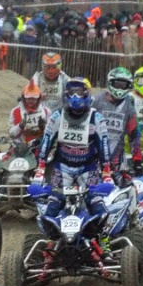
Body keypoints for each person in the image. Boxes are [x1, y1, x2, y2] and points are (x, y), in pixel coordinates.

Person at [33, 77, 112, 222]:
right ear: (66, 94)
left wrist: (106, 172)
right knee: (53, 204)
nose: (75, 96)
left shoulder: (96, 118)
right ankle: (52, 241)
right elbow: (46, 141)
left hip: (88, 168)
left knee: (97, 204)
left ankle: (103, 242)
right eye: (72, 92)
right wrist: (40, 168)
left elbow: (104, 145)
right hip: (62, 167)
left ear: (87, 94)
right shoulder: (57, 116)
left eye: (79, 92)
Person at [93, 67, 138, 172]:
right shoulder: (96, 101)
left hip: (117, 158)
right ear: (110, 83)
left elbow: (135, 133)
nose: (120, 88)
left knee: (126, 183)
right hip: (94, 155)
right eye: (117, 85)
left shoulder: (129, 106)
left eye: (123, 86)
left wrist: (137, 159)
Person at [8, 81, 51, 149]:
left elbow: (51, 135)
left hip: (39, 148)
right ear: (24, 98)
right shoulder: (15, 111)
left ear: (38, 98)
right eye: (28, 98)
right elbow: (11, 134)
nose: (31, 101)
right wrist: (20, 126)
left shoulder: (46, 112)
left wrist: (44, 127)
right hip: (20, 148)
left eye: (34, 98)